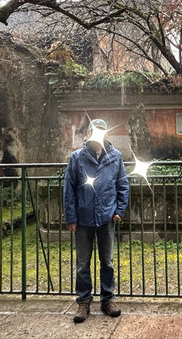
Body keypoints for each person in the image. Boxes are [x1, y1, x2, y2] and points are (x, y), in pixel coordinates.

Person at [63, 118, 129, 323]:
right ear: (90, 132)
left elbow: (123, 186)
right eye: (95, 130)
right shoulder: (77, 157)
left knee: (107, 262)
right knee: (83, 263)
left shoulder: (115, 157)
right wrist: (71, 217)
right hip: (83, 219)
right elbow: (69, 189)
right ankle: (83, 303)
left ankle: (108, 300)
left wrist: (119, 209)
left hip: (106, 217)